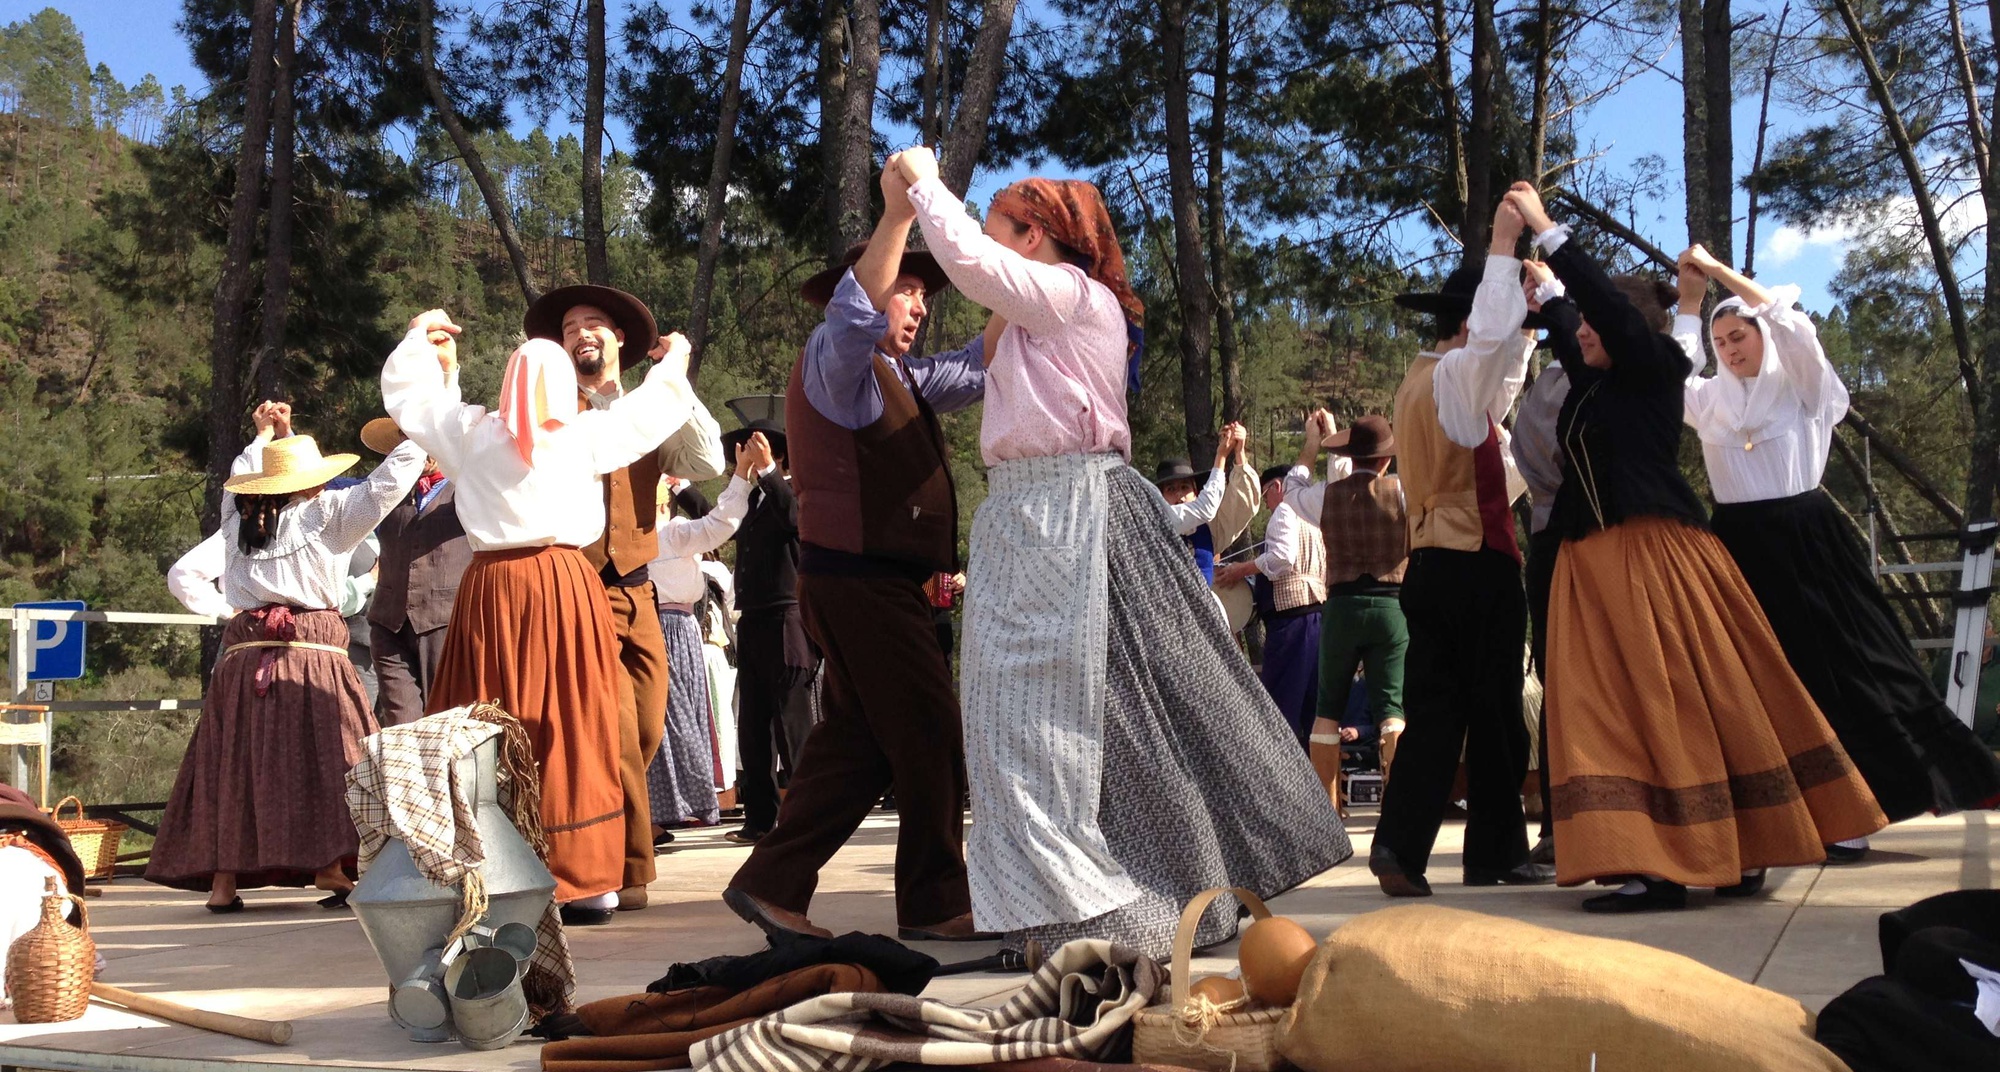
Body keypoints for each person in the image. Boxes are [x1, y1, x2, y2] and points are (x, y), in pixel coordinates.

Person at [897, 144, 1350, 959]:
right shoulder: (1031, 319)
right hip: (1032, 518)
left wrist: (927, 183)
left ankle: (1106, 911)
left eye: (1002, 225)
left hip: (1065, 514)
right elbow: (953, 364)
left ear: (1033, 238)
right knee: (1036, 724)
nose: (989, 241)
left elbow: (968, 262)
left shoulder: (1073, 296)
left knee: (1047, 722)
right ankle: (1068, 905)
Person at [1503, 183, 1887, 911]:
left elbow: (1610, 312)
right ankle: (1717, 852)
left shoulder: (1655, 374)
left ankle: (1676, 863)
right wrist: (1540, 284)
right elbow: (1567, 318)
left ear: (1633, 333)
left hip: (1651, 557)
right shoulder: (1594, 383)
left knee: (1666, 697)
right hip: (1598, 561)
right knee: (1636, 704)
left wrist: (1551, 231)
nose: (1583, 332)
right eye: (1580, 326)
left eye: (1597, 324)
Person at [726, 179, 991, 943]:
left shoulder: (903, 375)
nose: (916, 304)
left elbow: (979, 361)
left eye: (921, 293)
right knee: (933, 729)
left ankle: (772, 884)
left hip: (872, 586)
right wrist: (900, 212)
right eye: (903, 288)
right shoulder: (837, 359)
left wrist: (1035, 276)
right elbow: (855, 312)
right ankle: (938, 901)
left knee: (862, 743)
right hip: (863, 584)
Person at [381, 309, 703, 926]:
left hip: (493, 593)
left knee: (488, 729)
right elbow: (655, 407)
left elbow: (409, 397)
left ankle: (490, 873)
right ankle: (586, 879)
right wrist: (677, 357)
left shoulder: (472, 433)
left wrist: (424, 338)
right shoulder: (585, 435)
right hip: (563, 587)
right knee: (574, 723)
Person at [1680, 243, 2000, 852]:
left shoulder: (1804, 388)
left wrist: (1720, 273)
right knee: (1761, 679)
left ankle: (1860, 808)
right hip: (1738, 547)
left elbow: (1790, 324)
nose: (1730, 347)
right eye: (1719, 342)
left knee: (1847, 666)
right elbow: (1666, 371)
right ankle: (1777, 814)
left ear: (1761, 334)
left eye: (1739, 334)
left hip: (1806, 538)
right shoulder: (1707, 401)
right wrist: (1690, 305)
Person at [148, 402, 424, 911]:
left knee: (234, 763)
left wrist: (262, 440)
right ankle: (330, 865)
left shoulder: (238, 521)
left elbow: (239, 478)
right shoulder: (328, 516)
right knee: (334, 758)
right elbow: (388, 484)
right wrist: (421, 429)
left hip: (244, 656)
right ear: (312, 481)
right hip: (310, 654)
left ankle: (224, 882)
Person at [523, 285, 728, 912]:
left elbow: (707, 459)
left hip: (640, 592)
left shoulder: (645, 410)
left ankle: (601, 852)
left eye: (593, 324)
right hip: (577, 592)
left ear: (619, 342)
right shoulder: (547, 415)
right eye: (568, 328)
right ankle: (619, 869)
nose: (580, 333)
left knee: (641, 731)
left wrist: (676, 380)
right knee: (609, 731)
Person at [1368, 229, 1552, 897]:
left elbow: (1493, 393)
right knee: (1498, 712)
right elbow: (1486, 376)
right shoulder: (1453, 376)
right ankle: (1496, 852)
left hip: (1431, 567)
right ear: (1474, 323)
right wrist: (1505, 252)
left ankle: (1399, 843)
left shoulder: (1416, 382)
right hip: (1478, 561)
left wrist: (1524, 335)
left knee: (1437, 711)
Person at [1275, 413, 1410, 795]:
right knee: (1391, 711)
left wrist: (1313, 444)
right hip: (1391, 608)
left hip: (1341, 607)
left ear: (1351, 453)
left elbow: (1290, 491)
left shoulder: (1327, 495)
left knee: (1327, 713)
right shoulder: (1403, 491)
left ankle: (1329, 811)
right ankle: (1398, 808)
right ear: (1386, 459)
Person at [646, 464, 753, 840]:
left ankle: (658, 814)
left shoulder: (640, 538)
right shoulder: (671, 533)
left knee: (666, 721)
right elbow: (719, 524)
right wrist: (740, 477)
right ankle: (661, 812)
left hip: (670, 628)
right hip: (673, 629)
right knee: (676, 722)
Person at [721, 414, 811, 845]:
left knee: (791, 723)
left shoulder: (791, 490)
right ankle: (760, 819)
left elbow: (795, 519)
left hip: (785, 620)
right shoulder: (754, 499)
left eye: (755, 446)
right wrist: (681, 489)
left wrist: (772, 470)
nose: (749, 453)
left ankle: (807, 815)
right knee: (752, 727)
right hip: (754, 621)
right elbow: (716, 520)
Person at [358, 416, 471, 727]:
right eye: (407, 440)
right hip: (389, 626)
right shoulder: (385, 492)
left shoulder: (468, 490)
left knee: (446, 726)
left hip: (447, 627)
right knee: (403, 727)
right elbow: (320, 488)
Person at [1214, 462, 1328, 748]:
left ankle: (1281, 781)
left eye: (1265, 495)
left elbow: (1280, 558)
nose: (1266, 504)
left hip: (1292, 623)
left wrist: (1243, 569)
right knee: (1312, 711)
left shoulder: (1285, 511)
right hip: (1317, 619)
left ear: (1277, 487)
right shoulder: (1314, 518)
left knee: (1280, 708)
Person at [1153, 425, 1260, 585]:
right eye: (1171, 489)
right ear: (1160, 497)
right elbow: (1205, 507)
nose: (1179, 495)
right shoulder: (1156, 525)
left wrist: (1239, 452)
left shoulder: (1209, 529)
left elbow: (1243, 501)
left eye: (1184, 487)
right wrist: (1221, 455)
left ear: (1196, 493)